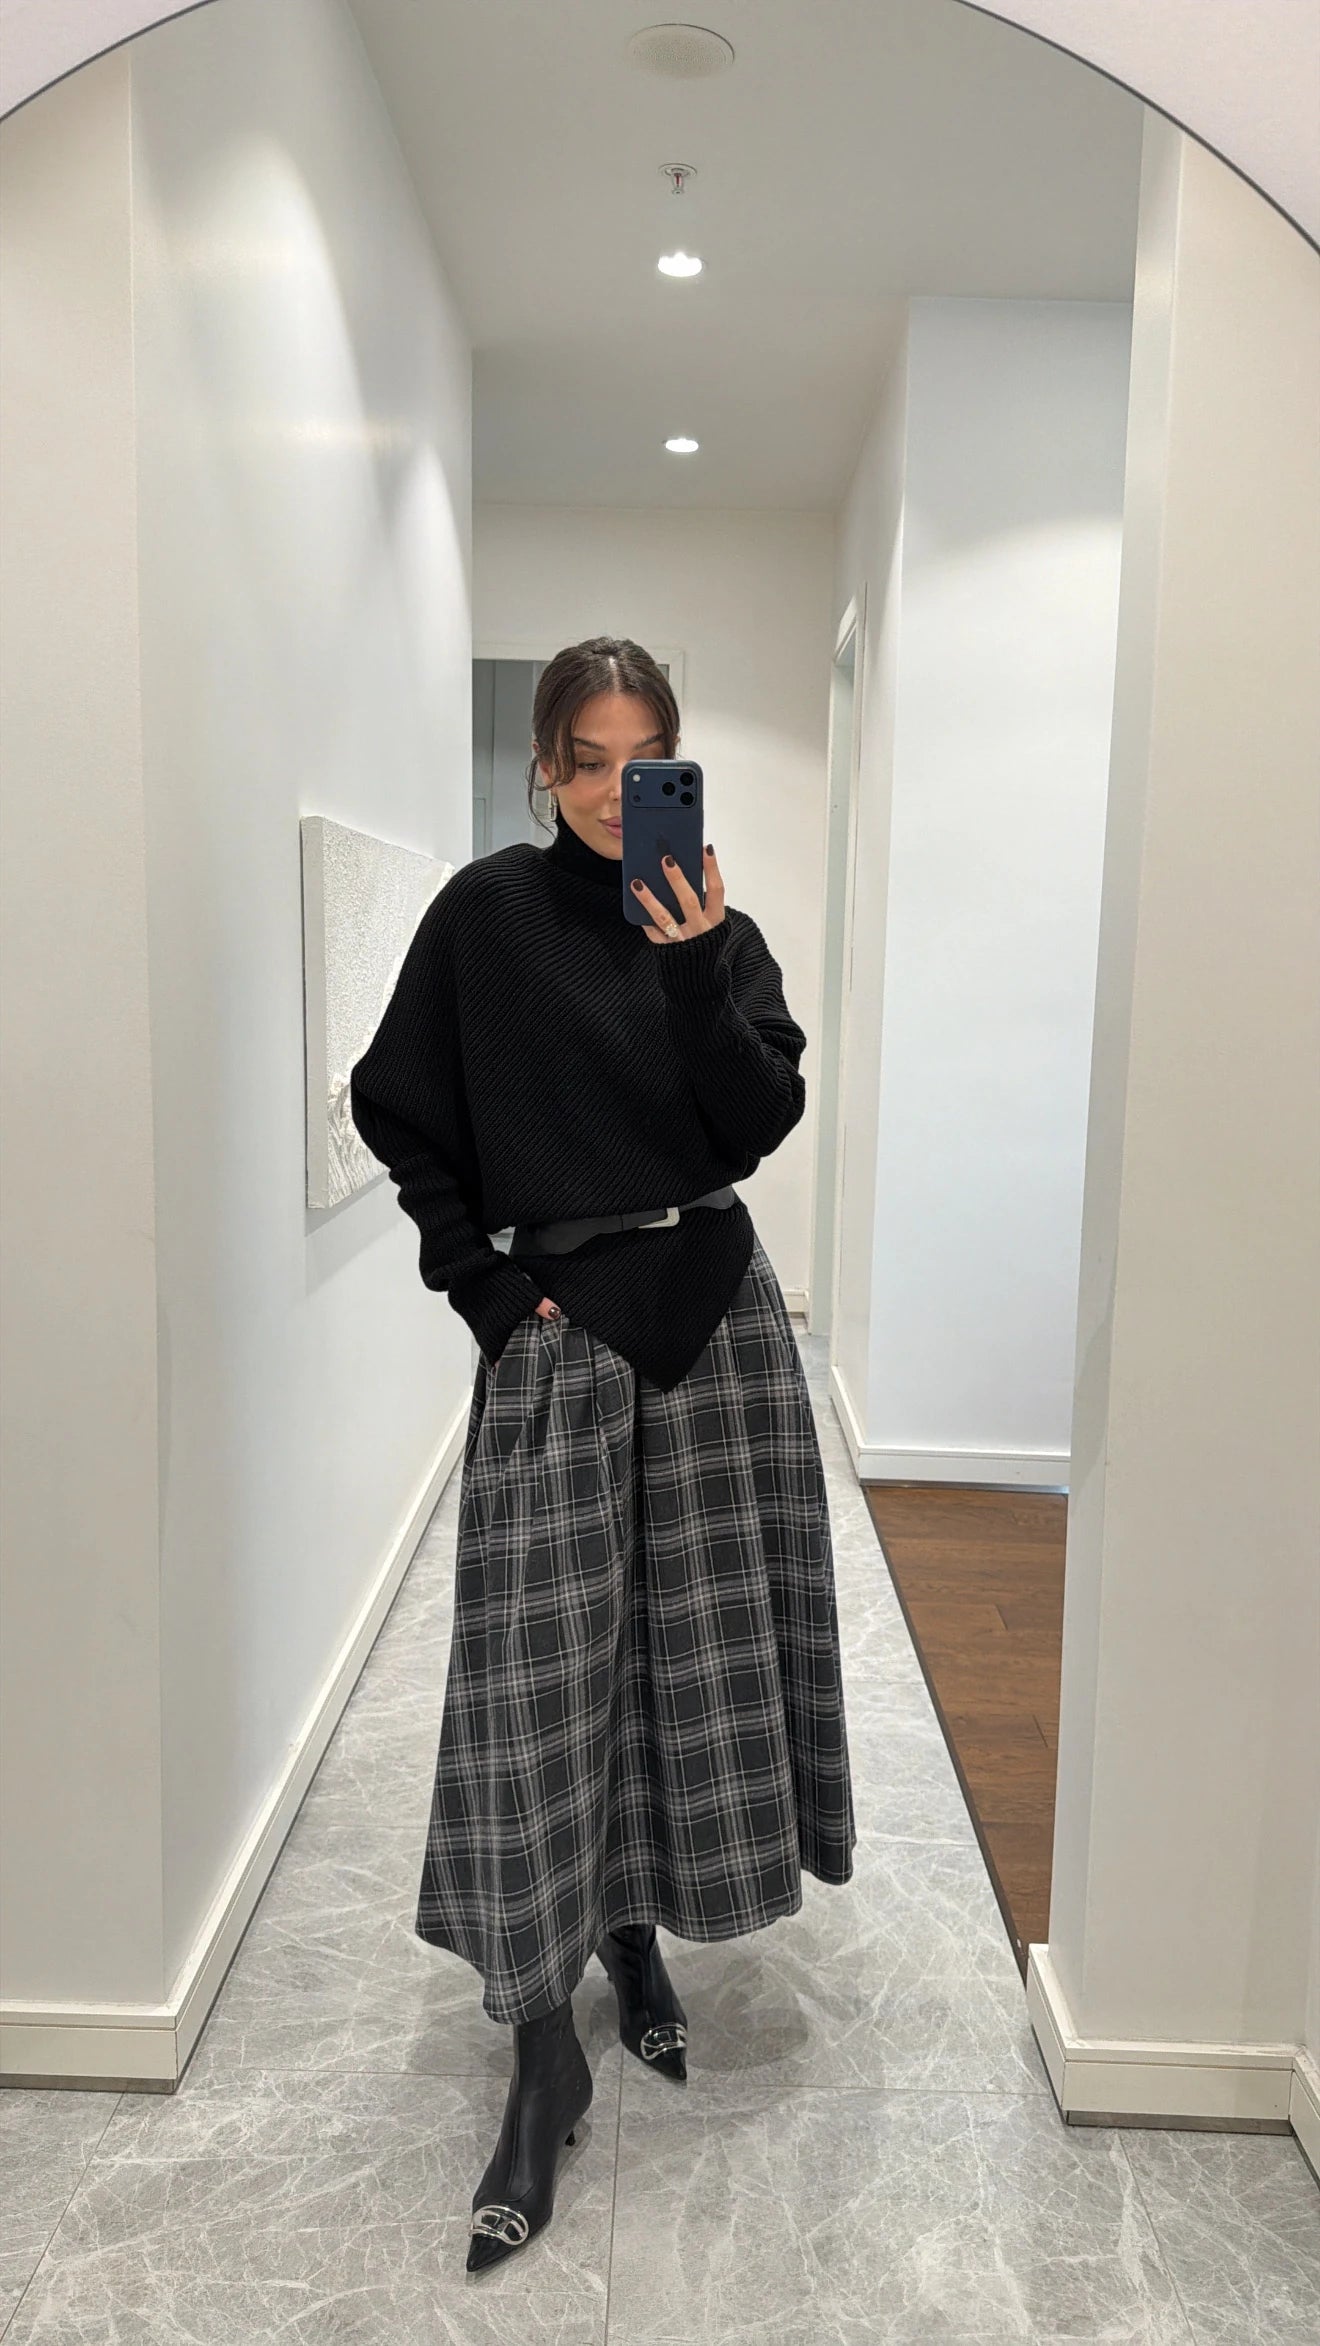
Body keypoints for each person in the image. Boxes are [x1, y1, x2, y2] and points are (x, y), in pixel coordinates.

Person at [349, 635, 856, 2272]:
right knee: (538, 1683)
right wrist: (489, 1292)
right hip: (562, 1336)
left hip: (715, 1327)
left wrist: (697, 963)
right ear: (544, 765)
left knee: (683, 1658)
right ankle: (540, 2045)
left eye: (643, 763)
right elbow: (395, 1106)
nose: (609, 789)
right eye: (583, 758)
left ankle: (635, 1937)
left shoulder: (719, 927)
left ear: (675, 768)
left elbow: (755, 1123)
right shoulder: (484, 917)